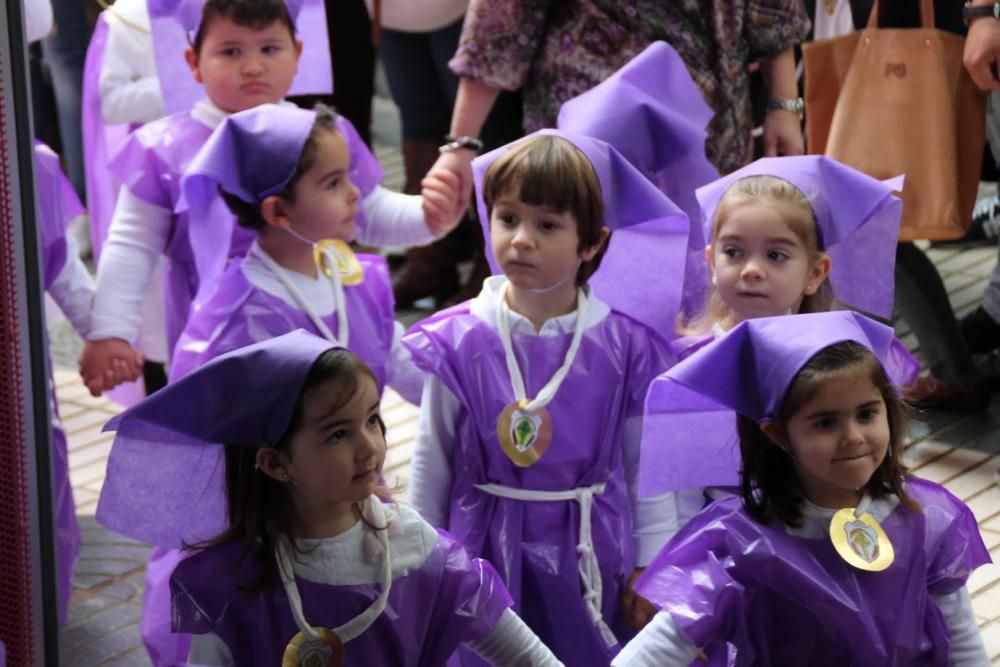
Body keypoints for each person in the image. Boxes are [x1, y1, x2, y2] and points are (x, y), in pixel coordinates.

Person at [95, 331, 562, 665]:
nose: (370, 446)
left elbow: (524, 655)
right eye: (338, 433)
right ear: (276, 463)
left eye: (373, 419)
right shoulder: (232, 580)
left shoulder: (418, 553)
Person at [80, 0, 464, 398]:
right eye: (231, 51)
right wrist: (111, 330)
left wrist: (427, 217)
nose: (252, 66)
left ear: (298, 53)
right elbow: (131, 243)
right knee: (236, 438)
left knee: (337, 413)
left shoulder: (319, 133)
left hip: (322, 304)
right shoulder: (164, 150)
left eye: (269, 48)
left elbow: (366, 209)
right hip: (219, 332)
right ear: (193, 61)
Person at [404, 131, 689, 664]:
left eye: (547, 224)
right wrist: (418, 559)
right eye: (507, 218)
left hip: (589, 546)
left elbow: (643, 465)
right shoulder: (457, 338)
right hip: (481, 546)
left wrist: (651, 562)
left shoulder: (625, 345)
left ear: (592, 244)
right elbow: (431, 460)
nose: (520, 239)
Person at [616, 311, 990, 665]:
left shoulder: (924, 519)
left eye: (866, 413)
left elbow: (961, 635)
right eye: (826, 422)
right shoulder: (738, 545)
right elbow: (661, 645)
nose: (853, 437)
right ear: (778, 434)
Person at [639, 155, 910, 543]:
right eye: (733, 252)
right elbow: (669, 486)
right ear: (711, 261)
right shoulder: (689, 369)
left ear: (815, 273)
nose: (751, 269)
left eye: (776, 255)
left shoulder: (845, 361)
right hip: (727, 554)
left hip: (827, 542)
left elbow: (880, 458)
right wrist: (664, 559)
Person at [171, 102, 424, 403]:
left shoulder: (351, 275)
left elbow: (400, 361)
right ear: (278, 211)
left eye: (349, 175)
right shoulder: (238, 318)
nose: (355, 192)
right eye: (333, 183)